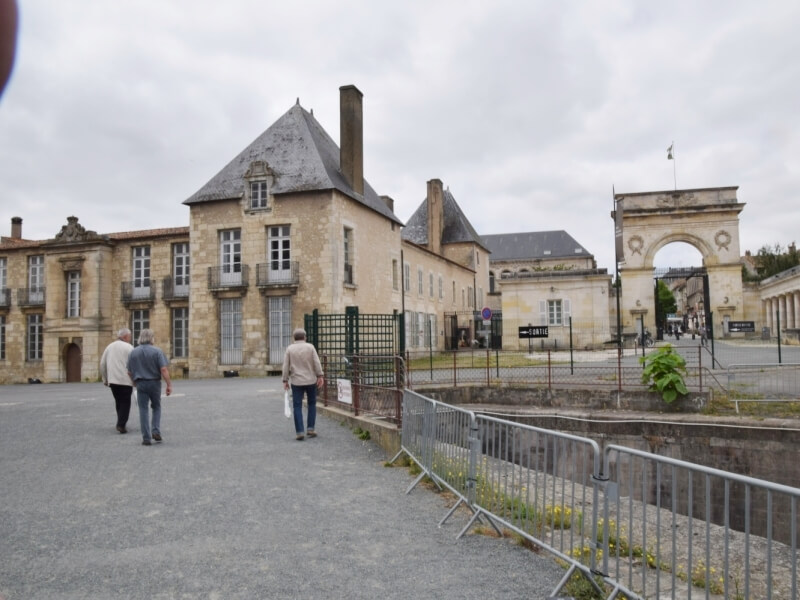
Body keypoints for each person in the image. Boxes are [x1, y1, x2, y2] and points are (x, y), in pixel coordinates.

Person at [127, 329, 172, 446]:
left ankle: (146, 437)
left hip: (140, 382)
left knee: (143, 410)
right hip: (154, 382)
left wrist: (134, 383)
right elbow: (163, 369)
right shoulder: (157, 351)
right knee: (156, 407)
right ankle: (155, 431)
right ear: (151, 338)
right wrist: (169, 384)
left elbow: (129, 371)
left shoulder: (133, 352)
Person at [282, 328, 324, 441]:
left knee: (297, 406)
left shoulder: (290, 349)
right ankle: (310, 428)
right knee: (311, 404)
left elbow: (286, 366)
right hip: (310, 380)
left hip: (296, 381)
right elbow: (316, 362)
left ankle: (299, 431)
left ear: (294, 338)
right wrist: (320, 375)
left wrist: (285, 380)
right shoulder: (310, 347)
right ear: (305, 337)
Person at [99, 327, 134, 434]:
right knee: (125, 402)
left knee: (118, 401)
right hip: (125, 380)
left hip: (113, 380)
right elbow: (134, 364)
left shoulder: (109, 347)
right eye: (129, 336)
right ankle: (121, 424)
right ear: (125, 336)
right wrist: (135, 379)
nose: (130, 338)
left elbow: (102, 364)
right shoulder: (129, 347)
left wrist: (105, 378)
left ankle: (120, 421)